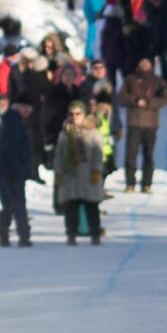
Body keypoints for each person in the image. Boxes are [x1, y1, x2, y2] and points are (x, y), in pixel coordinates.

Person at [53, 100, 104, 246]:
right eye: (72, 114)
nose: (75, 117)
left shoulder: (93, 132)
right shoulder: (65, 133)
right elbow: (59, 154)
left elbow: (98, 153)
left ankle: (95, 234)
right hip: (70, 176)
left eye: (78, 114)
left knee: (91, 207)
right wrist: (58, 172)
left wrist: (96, 170)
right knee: (71, 207)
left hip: (88, 175)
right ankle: (71, 234)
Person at [118, 57, 167, 193]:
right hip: (134, 122)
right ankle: (130, 183)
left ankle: (147, 184)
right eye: (142, 62)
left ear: (151, 65)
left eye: (147, 63)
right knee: (131, 155)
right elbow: (121, 96)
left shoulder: (157, 80)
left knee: (148, 155)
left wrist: (148, 102)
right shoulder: (131, 79)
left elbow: (165, 98)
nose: (144, 65)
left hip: (150, 123)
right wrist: (135, 100)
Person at [0, 99, 35, 248]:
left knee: (10, 204)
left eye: (29, 108)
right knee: (16, 204)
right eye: (24, 107)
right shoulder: (13, 122)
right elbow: (9, 148)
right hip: (10, 170)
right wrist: (14, 168)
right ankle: (22, 236)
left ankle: (5, 234)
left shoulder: (17, 121)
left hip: (11, 169)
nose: (27, 111)